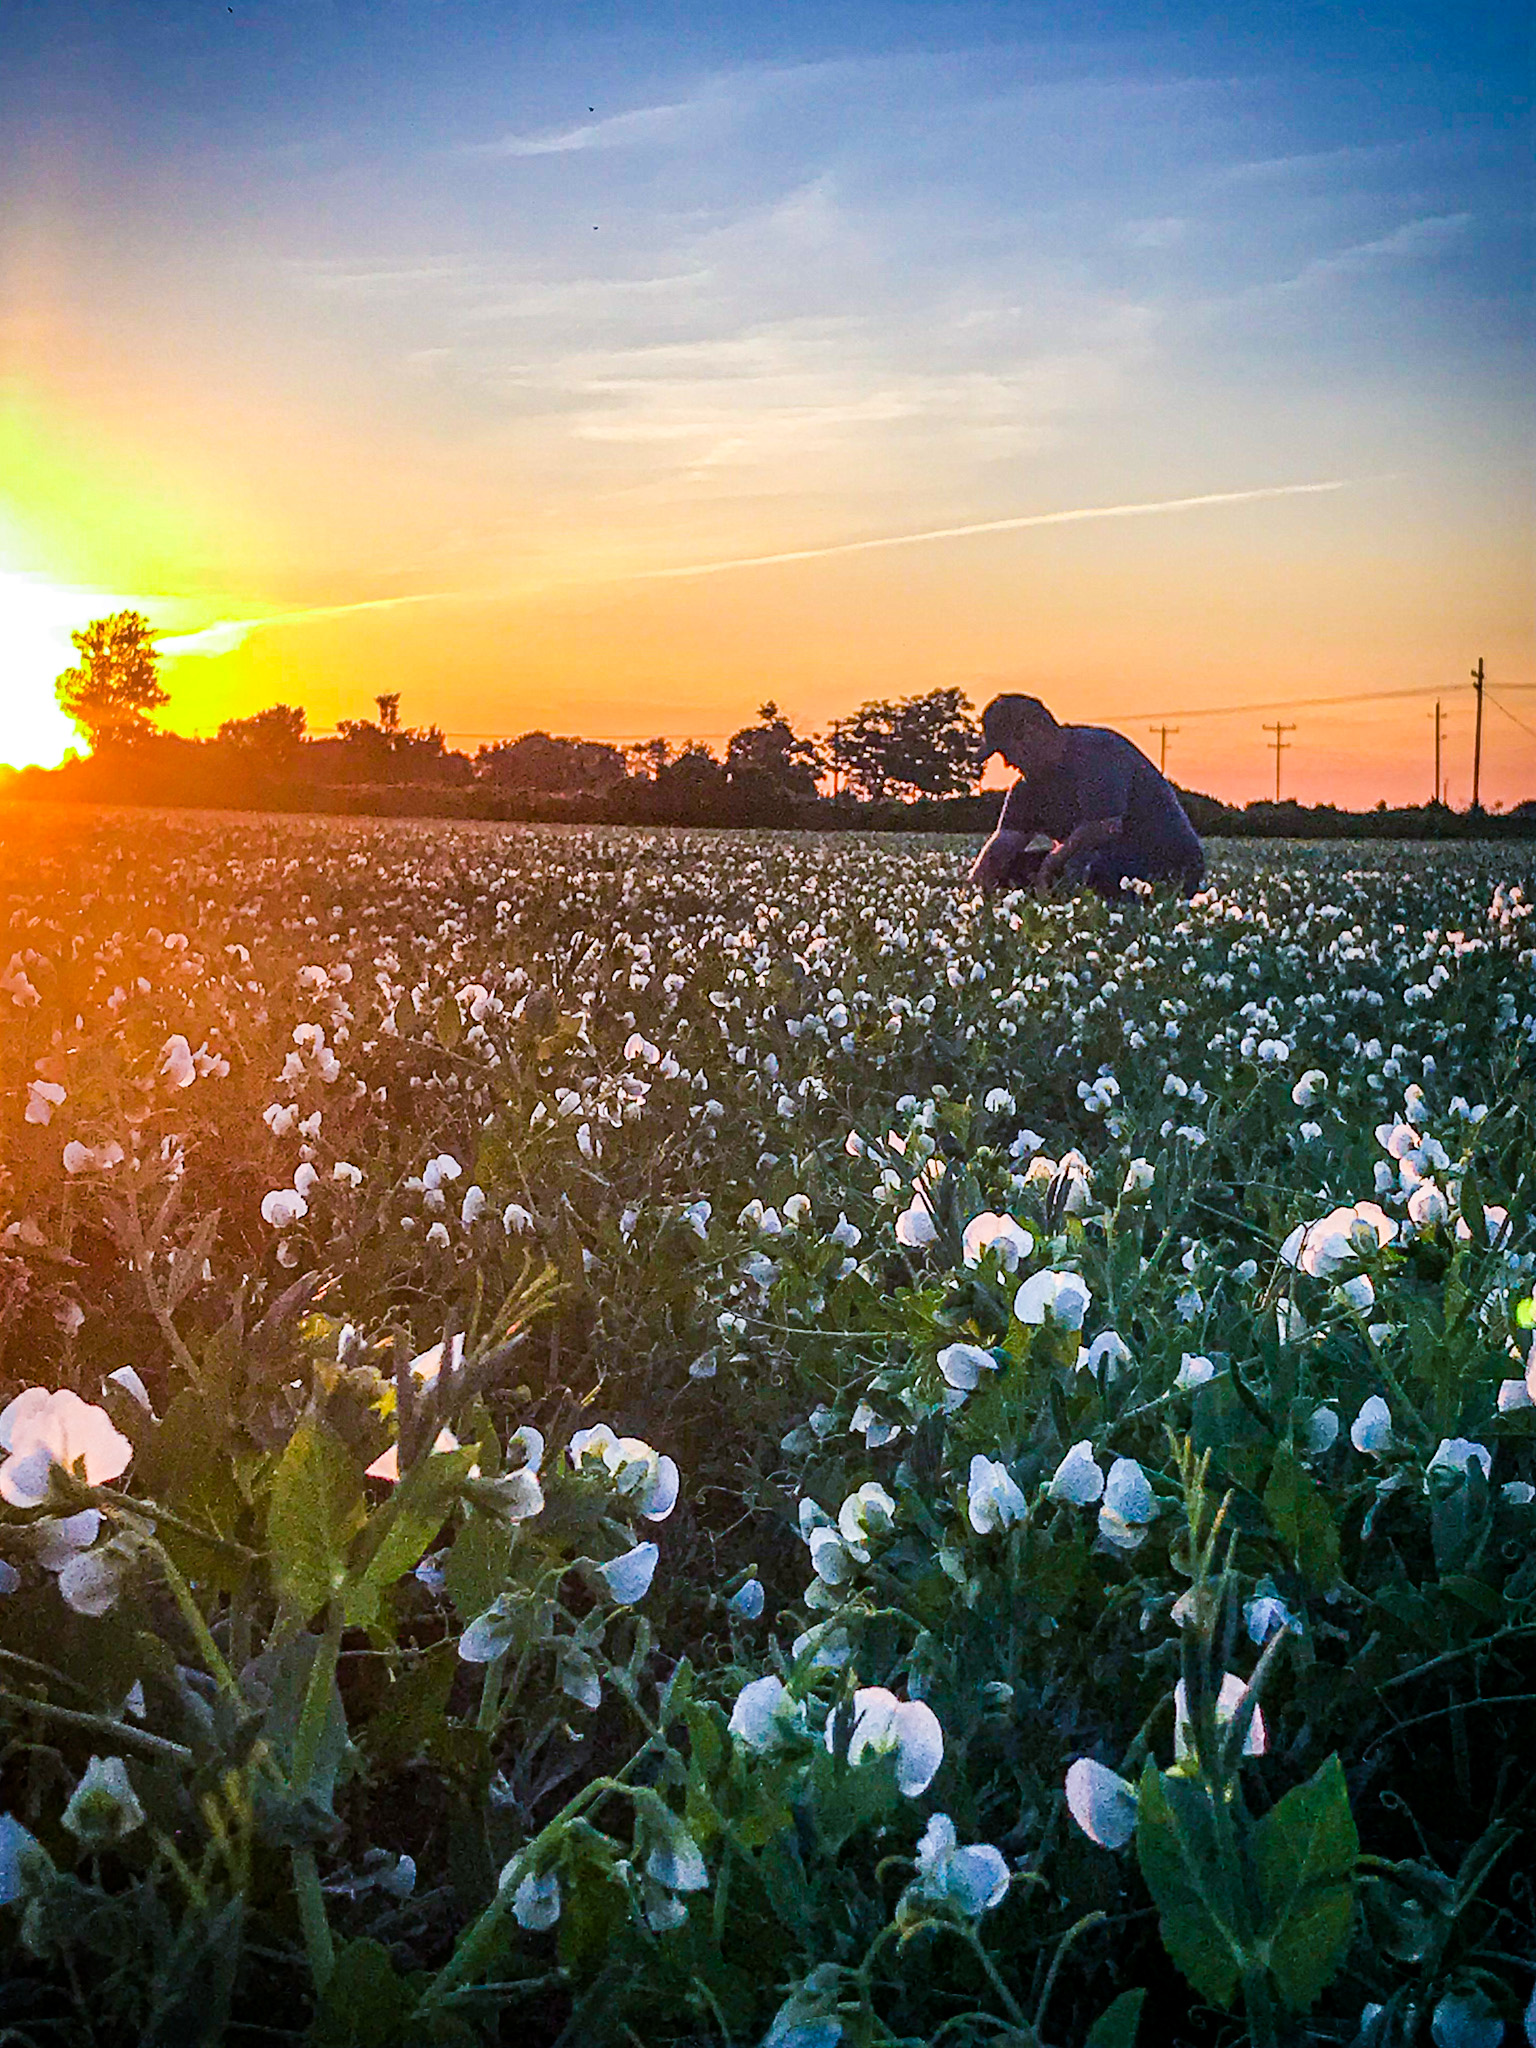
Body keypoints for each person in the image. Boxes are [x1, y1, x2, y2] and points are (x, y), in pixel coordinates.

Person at [971, 695, 1204, 899]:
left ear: (1030, 735)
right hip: (1095, 863)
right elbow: (1002, 846)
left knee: (1089, 869)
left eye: (1006, 751)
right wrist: (977, 885)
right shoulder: (1027, 788)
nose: (1007, 763)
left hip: (1166, 863)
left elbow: (1105, 827)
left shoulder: (1097, 751)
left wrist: (1053, 863)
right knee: (1015, 869)